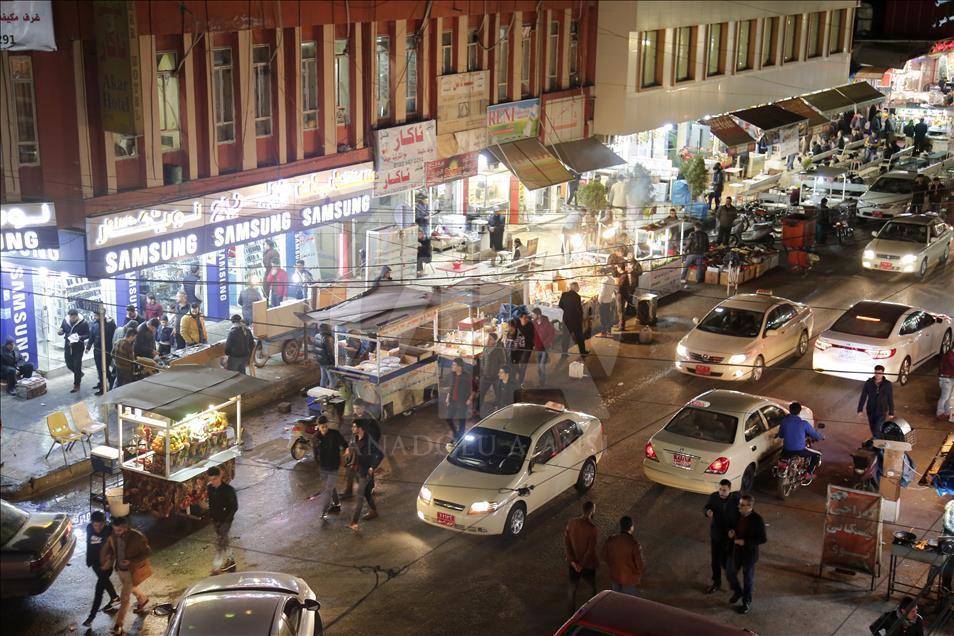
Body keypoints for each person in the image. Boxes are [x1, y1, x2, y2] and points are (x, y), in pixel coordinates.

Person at [101, 516, 152, 634]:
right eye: (114, 530)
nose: (116, 533)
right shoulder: (114, 535)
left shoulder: (137, 537)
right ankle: (142, 599)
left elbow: (147, 552)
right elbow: (113, 549)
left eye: (118, 530)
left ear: (125, 528)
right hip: (120, 569)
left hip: (131, 571)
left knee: (124, 598)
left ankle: (118, 626)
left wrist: (132, 561)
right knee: (131, 588)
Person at [726, 494, 766, 614]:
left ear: (750, 507)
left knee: (747, 579)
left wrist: (745, 542)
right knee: (730, 573)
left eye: (742, 505)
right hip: (736, 552)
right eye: (739, 504)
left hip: (749, 555)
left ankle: (746, 602)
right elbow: (731, 526)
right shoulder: (737, 515)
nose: (739, 507)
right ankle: (738, 591)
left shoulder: (757, 520)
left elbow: (762, 539)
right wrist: (731, 532)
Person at [83, 510, 121, 628]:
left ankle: (91, 617)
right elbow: (89, 544)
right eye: (95, 525)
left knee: (99, 589)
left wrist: (112, 561)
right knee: (104, 581)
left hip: (106, 565)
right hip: (94, 563)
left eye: (100, 525)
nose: (98, 528)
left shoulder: (110, 532)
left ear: (105, 523)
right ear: (92, 523)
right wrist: (89, 559)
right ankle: (114, 598)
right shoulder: (89, 528)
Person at [704, 479, 741, 594]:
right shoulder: (714, 497)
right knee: (715, 561)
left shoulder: (736, 500)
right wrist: (707, 512)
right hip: (716, 534)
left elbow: (742, 517)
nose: (721, 492)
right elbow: (706, 507)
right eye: (720, 489)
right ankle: (716, 582)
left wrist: (735, 531)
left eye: (724, 490)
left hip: (729, 536)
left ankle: (734, 584)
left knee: (727, 562)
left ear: (730, 490)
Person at [347, 420, 383, 531]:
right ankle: (374, 511)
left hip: (365, 473)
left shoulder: (369, 441)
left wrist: (372, 467)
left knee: (359, 497)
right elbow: (352, 446)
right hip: (357, 470)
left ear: (360, 428)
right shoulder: (354, 437)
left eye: (354, 427)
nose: (352, 429)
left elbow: (381, 454)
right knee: (367, 493)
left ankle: (354, 522)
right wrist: (349, 450)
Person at [564, 500, 599, 615]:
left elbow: (567, 543)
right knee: (592, 588)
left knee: (572, 588)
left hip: (573, 563)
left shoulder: (571, 522)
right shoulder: (592, 528)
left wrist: (573, 562)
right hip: (587, 565)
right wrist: (581, 565)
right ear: (592, 511)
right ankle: (592, 611)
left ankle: (570, 615)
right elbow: (590, 550)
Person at [313, 416, 348, 519]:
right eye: (322, 427)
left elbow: (344, 444)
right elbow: (315, 453)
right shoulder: (315, 437)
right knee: (331, 487)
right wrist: (318, 463)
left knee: (328, 489)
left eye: (326, 426)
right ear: (318, 426)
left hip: (334, 466)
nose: (324, 429)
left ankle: (324, 511)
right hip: (323, 467)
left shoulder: (335, 434)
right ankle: (336, 503)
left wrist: (346, 450)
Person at [601, 515, 645, 596]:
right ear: (631, 527)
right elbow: (640, 565)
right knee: (631, 602)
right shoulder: (634, 544)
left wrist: (612, 565)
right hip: (629, 579)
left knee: (617, 599)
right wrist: (637, 575)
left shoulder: (611, 540)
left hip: (615, 576)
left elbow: (604, 556)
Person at [777, 402, 824, 477]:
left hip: (786, 449)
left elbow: (781, 435)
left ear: (790, 410)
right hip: (799, 450)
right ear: (799, 411)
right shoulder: (803, 423)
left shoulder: (784, 422)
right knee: (817, 455)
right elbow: (814, 435)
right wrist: (821, 437)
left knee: (781, 458)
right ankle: (808, 473)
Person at [207, 466, 238, 574]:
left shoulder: (228, 490)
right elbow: (211, 504)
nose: (213, 482)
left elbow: (234, 507)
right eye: (210, 480)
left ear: (220, 477)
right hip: (216, 520)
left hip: (225, 521)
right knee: (224, 541)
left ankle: (216, 567)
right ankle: (231, 561)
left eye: (214, 479)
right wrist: (211, 516)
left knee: (220, 543)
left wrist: (226, 521)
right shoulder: (210, 488)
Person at [858, 365, 895, 438]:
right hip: (871, 410)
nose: (878, 375)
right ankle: (877, 442)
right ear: (874, 373)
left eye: (880, 373)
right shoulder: (868, 383)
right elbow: (863, 396)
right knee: (872, 428)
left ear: (883, 373)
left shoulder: (887, 384)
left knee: (877, 429)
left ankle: (879, 446)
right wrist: (860, 410)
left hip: (881, 411)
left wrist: (891, 412)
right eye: (876, 373)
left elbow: (890, 398)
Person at [87, 305, 117, 395]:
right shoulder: (94, 324)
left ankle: (104, 386)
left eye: (96, 315)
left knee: (103, 369)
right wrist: (88, 346)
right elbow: (91, 336)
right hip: (97, 351)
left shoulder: (110, 324)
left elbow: (114, 337)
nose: (94, 317)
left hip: (107, 351)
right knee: (99, 369)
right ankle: (103, 383)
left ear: (102, 315)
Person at [58, 308, 90, 393]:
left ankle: (77, 385)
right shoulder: (65, 321)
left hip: (78, 347)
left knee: (77, 365)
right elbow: (62, 329)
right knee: (68, 364)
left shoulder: (83, 323)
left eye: (74, 317)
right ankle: (79, 374)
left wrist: (80, 337)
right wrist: (60, 331)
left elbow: (88, 334)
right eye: (71, 317)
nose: (72, 318)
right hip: (68, 346)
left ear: (77, 316)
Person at [443, 357, 473, 440]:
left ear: (459, 367)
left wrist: (469, 399)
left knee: (461, 421)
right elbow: (451, 386)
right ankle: (456, 433)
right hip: (453, 400)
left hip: (462, 402)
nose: (452, 366)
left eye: (454, 365)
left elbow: (474, 389)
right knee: (448, 418)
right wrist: (448, 396)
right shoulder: (453, 374)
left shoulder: (467, 376)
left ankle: (460, 437)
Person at [478, 332, 506, 415]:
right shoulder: (485, 348)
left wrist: (499, 373)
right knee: (481, 393)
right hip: (485, 376)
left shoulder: (499, 350)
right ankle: (477, 409)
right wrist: (482, 368)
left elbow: (503, 362)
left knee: (498, 394)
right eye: (488, 338)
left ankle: (500, 410)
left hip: (495, 377)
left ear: (494, 341)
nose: (488, 340)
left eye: (490, 339)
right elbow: (483, 359)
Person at [558, 282, 587, 356]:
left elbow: (560, 305)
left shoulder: (564, 294)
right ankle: (583, 352)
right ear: (574, 287)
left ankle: (564, 353)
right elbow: (579, 309)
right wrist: (581, 317)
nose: (578, 288)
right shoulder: (577, 296)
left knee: (565, 336)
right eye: (577, 287)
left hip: (566, 319)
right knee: (579, 336)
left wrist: (567, 310)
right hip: (575, 319)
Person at [532, 308, 556, 385]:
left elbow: (551, 334)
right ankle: (541, 378)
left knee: (542, 365)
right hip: (537, 347)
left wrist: (546, 344)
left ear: (538, 315)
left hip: (545, 348)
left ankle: (543, 381)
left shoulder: (546, 323)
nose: (533, 316)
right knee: (539, 365)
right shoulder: (534, 323)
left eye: (534, 314)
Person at [510, 312, 535, 386]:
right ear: (520, 318)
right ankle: (515, 379)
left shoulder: (530, 325)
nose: (526, 319)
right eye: (524, 318)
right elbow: (514, 334)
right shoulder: (517, 323)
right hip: (518, 347)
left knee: (523, 365)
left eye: (527, 318)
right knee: (515, 363)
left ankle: (520, 382)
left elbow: (530, 338)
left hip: (527, 347)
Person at [314, 323, 336, 388]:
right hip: (328, 362)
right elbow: (330, 352)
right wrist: (334, 362)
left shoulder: (317, 335)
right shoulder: (328, 338)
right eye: (330, 327)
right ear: (328, 328)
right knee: (332, 378)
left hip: (320, 360)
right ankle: (331, 392)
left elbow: (315, 348)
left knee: (323, 377)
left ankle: (322, 389)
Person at [598, 269, 616, 337]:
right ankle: (609, 331)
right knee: (608, 316)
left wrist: (600, 300)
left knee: (603, 317)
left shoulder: (604, 281)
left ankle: (603, 332)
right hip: (609, 300)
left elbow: (602, 292)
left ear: (603, 273)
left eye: (600, 273)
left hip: (604, 301)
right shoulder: (612, 279)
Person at [938, 347, 954, 420]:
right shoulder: (950, 355)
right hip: (946, 379)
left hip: (950, 378)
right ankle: (940, 412)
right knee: (945, 397)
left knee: (949, 397)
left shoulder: (951, 354)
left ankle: (947, 412)